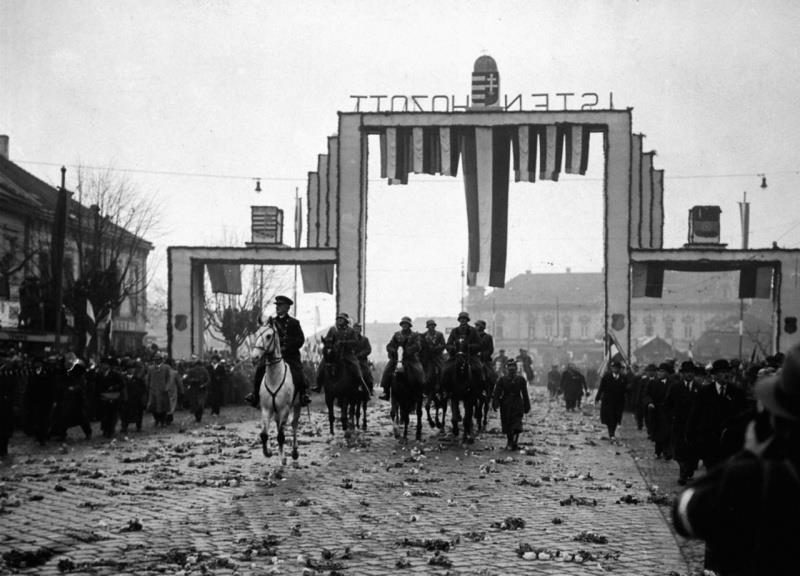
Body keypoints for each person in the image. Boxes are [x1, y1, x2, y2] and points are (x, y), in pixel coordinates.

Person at [672, 343, 800, 576]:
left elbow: (685, 513)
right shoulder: (706, 393)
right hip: (712, 445)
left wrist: (748, 456)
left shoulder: (759, 476)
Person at [247, 295, 309, 407]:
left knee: (299, 373)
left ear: (287, 307)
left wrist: (287, 346)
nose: (277, 307)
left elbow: (300, 340)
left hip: (290, 356)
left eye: (280, 305)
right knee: (260, 370)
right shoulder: (272, 322)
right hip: (273, 356)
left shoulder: (294, 323)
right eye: (277, 305)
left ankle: (303, 395)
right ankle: (255, 395)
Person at [687, 358, 747, 470]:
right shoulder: (704, 392)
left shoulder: (737, 393)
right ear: (715, 375)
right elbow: (695, 415)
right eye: (722, 372)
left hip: (730, 442)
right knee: (712, 470)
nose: (726, 375)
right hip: (709, 441)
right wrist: (691, 435)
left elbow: (743, 416)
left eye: (727, 372)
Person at [665, 360, 701, 485]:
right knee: (679, 450)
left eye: (691, 372)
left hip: (695, 426)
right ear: (682, 374)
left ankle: (689, 469)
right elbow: (667, 405)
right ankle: (682, 473)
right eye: (686, 372)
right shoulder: (675, 387)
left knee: (692, 450)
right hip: (679, 424)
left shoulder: (700, 388)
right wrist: (672, 417)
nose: (689, 374)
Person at [319, 312, 367, 395]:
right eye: (338, 319)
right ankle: (318, 385)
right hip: (334, 354)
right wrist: (327, 342)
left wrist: (343, 342)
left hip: (347, 354)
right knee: (321, 367)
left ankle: (362, 387)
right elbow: (327, 339)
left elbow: (355, 342)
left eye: (341, 319)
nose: (339, 320)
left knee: (356, 369)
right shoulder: (332, 329)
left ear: (346, 321)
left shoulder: (351, 331)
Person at [379, 317, 424, 401]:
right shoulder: (397, 335)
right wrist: (394, 350)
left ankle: (421, 391)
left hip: (410, 359)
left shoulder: (415, 335)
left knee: (419, 370)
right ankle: (385, 391)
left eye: (406, 324)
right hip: (397, 358)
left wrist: (408, 351)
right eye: (403, 324)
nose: (404, 325)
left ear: (409, 325)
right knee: (387, 370)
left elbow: (418, 346)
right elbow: (389, 345)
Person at [492, 359, 531, 450]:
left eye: (513, 367)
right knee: (507, 424)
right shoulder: (502, 380)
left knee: (517, 424)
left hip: (517, 403)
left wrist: (527, 405)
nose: (511, 369)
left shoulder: (521, 380)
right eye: (510, 367)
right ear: (507, 368)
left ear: (516, 368)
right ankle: (509, 441)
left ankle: (515, 441)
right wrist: (495, 402)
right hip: (506, 404)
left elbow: (525, 394)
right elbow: (497, 392)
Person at [442, 311, 482, 387]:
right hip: (456, 356)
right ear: (459, 320)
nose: (463, 320)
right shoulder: (454, 331)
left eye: (464, 318)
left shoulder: (473, 330)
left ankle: (479, 388)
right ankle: (445, 389)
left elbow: (479, 344)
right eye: (461, 319)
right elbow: (448, 344)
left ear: (467, 320)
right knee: (445, 369)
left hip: (470, 356)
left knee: (479, 369)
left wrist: (469, 347)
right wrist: (454, 349)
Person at [595, 360, 627, 441]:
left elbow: (626, 389)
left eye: (617, 368)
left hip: (619, 401)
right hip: (608, 401)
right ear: (612, 368)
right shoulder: (606, 376)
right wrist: (597, 398)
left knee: (616, 417)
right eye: (614, 368)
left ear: (619, 369)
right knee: (610, 417)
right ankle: (611, 434)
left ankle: (613, 431)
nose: (616, 369)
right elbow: (601, 388)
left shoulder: (623, 377)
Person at [420, 319, 446, 390]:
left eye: (433, 325)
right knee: (424, 372)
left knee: (442, 370)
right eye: (430, 325)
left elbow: (443, 345)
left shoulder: (439, 334)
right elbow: (421, 346)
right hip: (428, 357)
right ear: (427, 326)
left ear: (435, 326)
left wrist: (436, 349)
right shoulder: (423, 335)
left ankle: (442, 386)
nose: (431, 326)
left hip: (438, 356)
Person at [184, 357, 210, 422]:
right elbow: (187, 379)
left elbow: (208, 380)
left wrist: (203, 385)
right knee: (196, 404)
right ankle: (197, 416)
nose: (197, 367)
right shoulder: (192, 371)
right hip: (195, 389)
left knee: (199, 403)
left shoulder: (204, 371)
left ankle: (198, 416)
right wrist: (193, 380)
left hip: (201, 389)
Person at [474, 320, 496, 392]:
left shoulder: (488, 337)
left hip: (484, 359)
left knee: (492, 374)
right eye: (476, 325)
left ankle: (490, 389)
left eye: (477, 325)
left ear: (482, 327)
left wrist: (482, 355)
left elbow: (490, 349)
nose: (476, 327)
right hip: (473, 358)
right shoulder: (472, 336)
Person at [353, 322, 374, 393]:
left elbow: (368, 349)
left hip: (361, 361)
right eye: (355, 328)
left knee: (367, 374)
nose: (357, 330)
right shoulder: (349, 339)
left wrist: (360, 354)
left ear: (360, 330)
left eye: (358, 329)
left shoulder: (365, 339)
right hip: (351, 360)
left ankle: (369, 391)